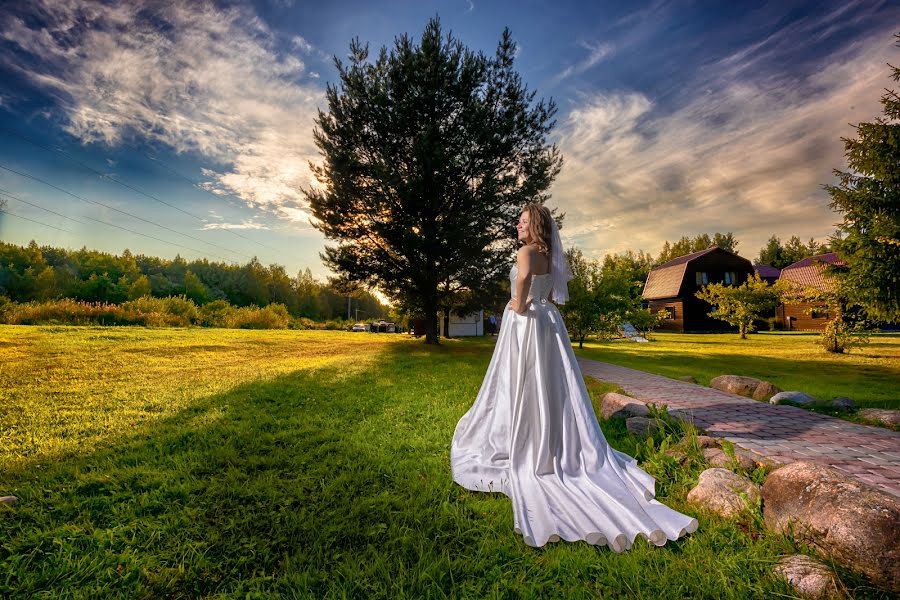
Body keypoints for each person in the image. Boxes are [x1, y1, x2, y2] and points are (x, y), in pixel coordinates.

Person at [450, 203, 699, 551]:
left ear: (534, 225)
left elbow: (522, 280)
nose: (517, 226)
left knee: (520, 383)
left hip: (527, 324)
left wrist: (518, 305)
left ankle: (521, 439)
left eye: (522, 221)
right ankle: (546, 437)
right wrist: (534, 304)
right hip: (549, 324)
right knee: (550, 386)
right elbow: (551, 293)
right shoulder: (549, 255)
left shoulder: (525, 252)